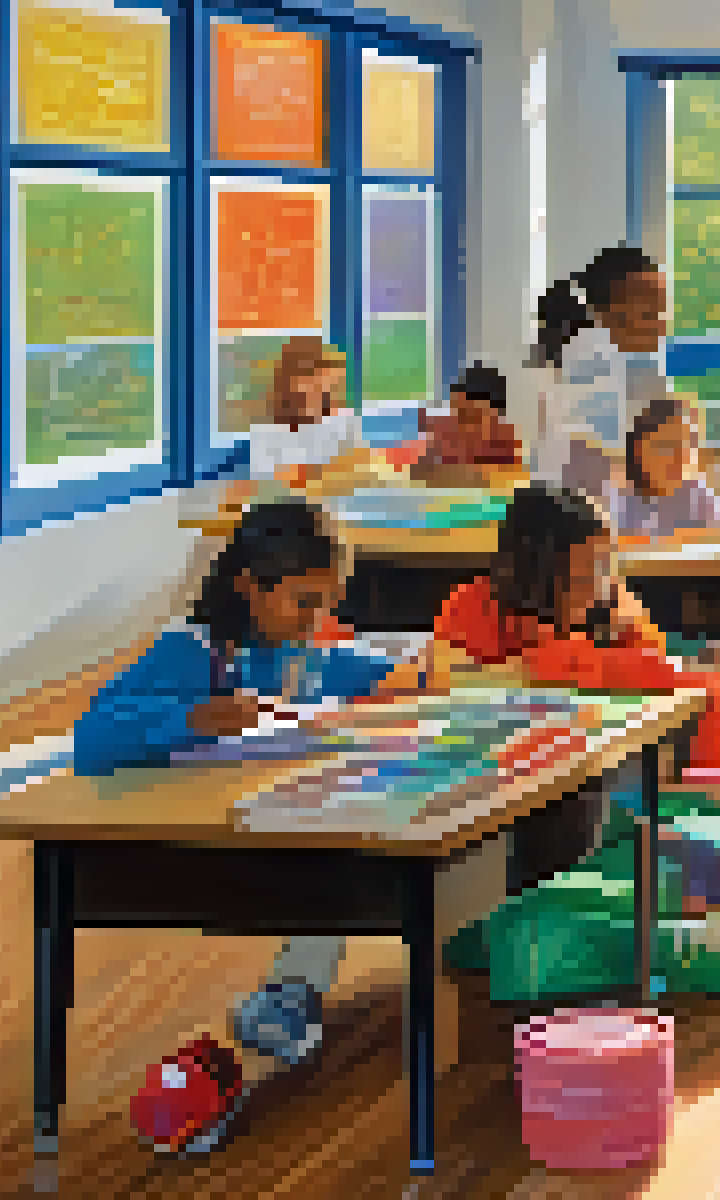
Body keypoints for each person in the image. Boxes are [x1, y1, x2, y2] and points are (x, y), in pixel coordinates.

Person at [78, 501, 442, 1154]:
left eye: (326, 604)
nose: (315, 622)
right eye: (304, 602)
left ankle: (291, 991)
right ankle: (290, 993)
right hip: (190, 839)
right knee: (342, 850)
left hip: (277, 821)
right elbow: (93, 736)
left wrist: (408, 675)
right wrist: (192, 718)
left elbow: (358, 668)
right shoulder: (191, 652)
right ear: (248, 584)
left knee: (357, 828)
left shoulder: (296, 648)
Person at [431, 483, 720, 772]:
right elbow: (448, 686)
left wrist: (560, 662)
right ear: (540, 572)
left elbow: (657, 670)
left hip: (613, 762)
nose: (598, 582)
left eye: (602, 565)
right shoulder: (477, 605)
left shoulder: (609, 602)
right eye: (585, 570)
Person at [528, 246, 669, 496]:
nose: (661, 326)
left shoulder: (583, 350)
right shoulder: (598, 361)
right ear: (609, 311)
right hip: (585, 508)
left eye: (661, 313)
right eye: (650, 313)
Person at [245, 337, 367, 488]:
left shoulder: (344, 420)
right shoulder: (265, 436)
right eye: (313, 383)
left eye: (326, 388)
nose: (321, 393)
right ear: (289, 383)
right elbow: (273, 487)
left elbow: (359, 467)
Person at [605, 391, 720, 539]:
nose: (679, 456)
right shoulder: (618, 498)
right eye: (667, 445)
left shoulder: (698, 496)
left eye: (685, 446)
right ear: (640, 448)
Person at [415, 362, 524, 475]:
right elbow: (418, 472)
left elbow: (514, 477)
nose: (463, 425)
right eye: (458, 413)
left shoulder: (504, 439)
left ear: (495, 413)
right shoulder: (442, 431)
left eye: (470, 415)